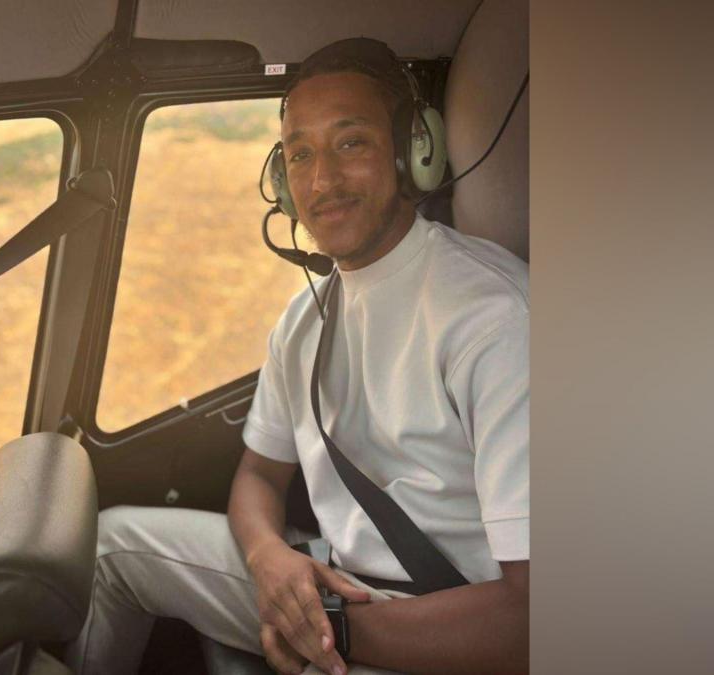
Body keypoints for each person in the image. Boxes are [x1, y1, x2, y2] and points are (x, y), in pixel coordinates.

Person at [65, 38, 528, 675]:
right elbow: (258, 477)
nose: (322, 181)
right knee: (110, 550)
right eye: (299, 154)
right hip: (330, 586)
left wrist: (330, 633)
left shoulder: (493, 317)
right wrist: (269, 562)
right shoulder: (304, 321)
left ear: (412, 150)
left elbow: (531, 618)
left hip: (450, 627)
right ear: (280, 182)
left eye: (351, 142)